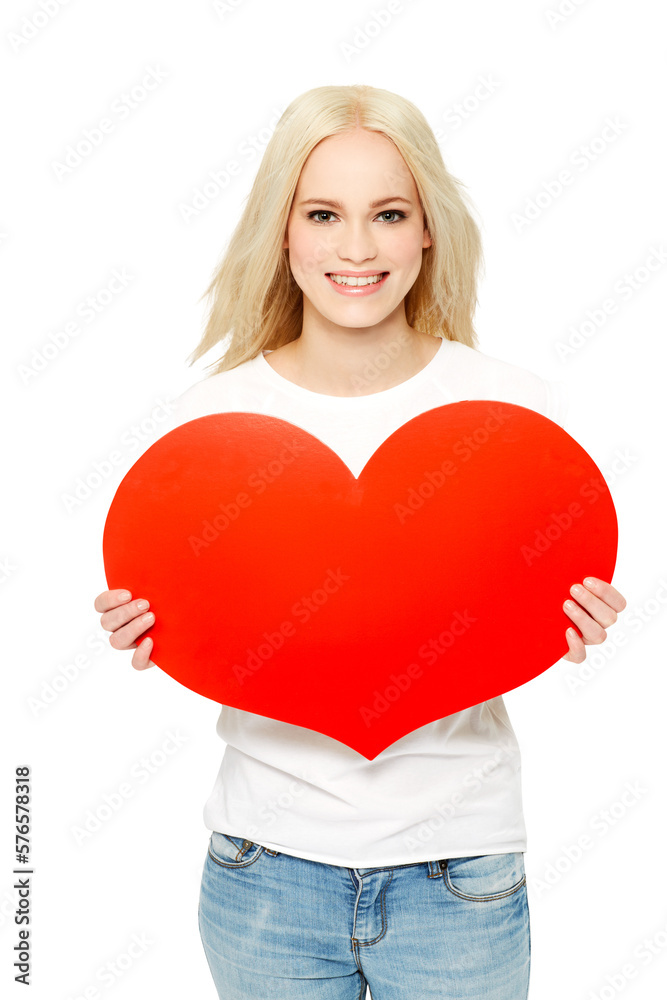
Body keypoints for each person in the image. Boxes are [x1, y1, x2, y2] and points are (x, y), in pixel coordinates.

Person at [93, 84, 626, 999]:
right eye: (323, 214)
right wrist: (151, 623)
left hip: (459, 871)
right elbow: (202, 611)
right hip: (265, 870)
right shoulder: (212, 424)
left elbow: (515, 607)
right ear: (283, 232)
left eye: (387, 213)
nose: (354, 248)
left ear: (427, 230)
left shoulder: (513, 413)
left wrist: (571, 620)